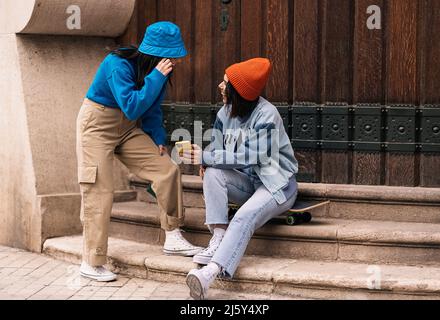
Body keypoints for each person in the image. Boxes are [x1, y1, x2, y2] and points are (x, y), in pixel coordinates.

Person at [77, 21, 203, 282]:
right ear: (156, 54)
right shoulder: (117, 64)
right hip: (97, 125)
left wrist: (157, 137)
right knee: (99, 189)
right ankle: (92, 261)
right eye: (172, 57)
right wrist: (156, 76)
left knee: (167, 170)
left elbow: (152, 108)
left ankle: (172, 236)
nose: (176, 62)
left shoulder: (159, 70)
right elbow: (133, 106)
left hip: (127, 128)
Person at [181, 58, 299, 299]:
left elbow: (248, 156)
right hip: (248, 184)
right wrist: (205, 159)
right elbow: (216, 149)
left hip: (276, 185)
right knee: (213, 172)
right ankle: (219, 237)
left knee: (244, 216)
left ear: (239, 92)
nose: (220, 86)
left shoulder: (267, 115)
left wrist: (206, 156)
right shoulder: (225, 113)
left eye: (225, 84)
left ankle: (209, 274)